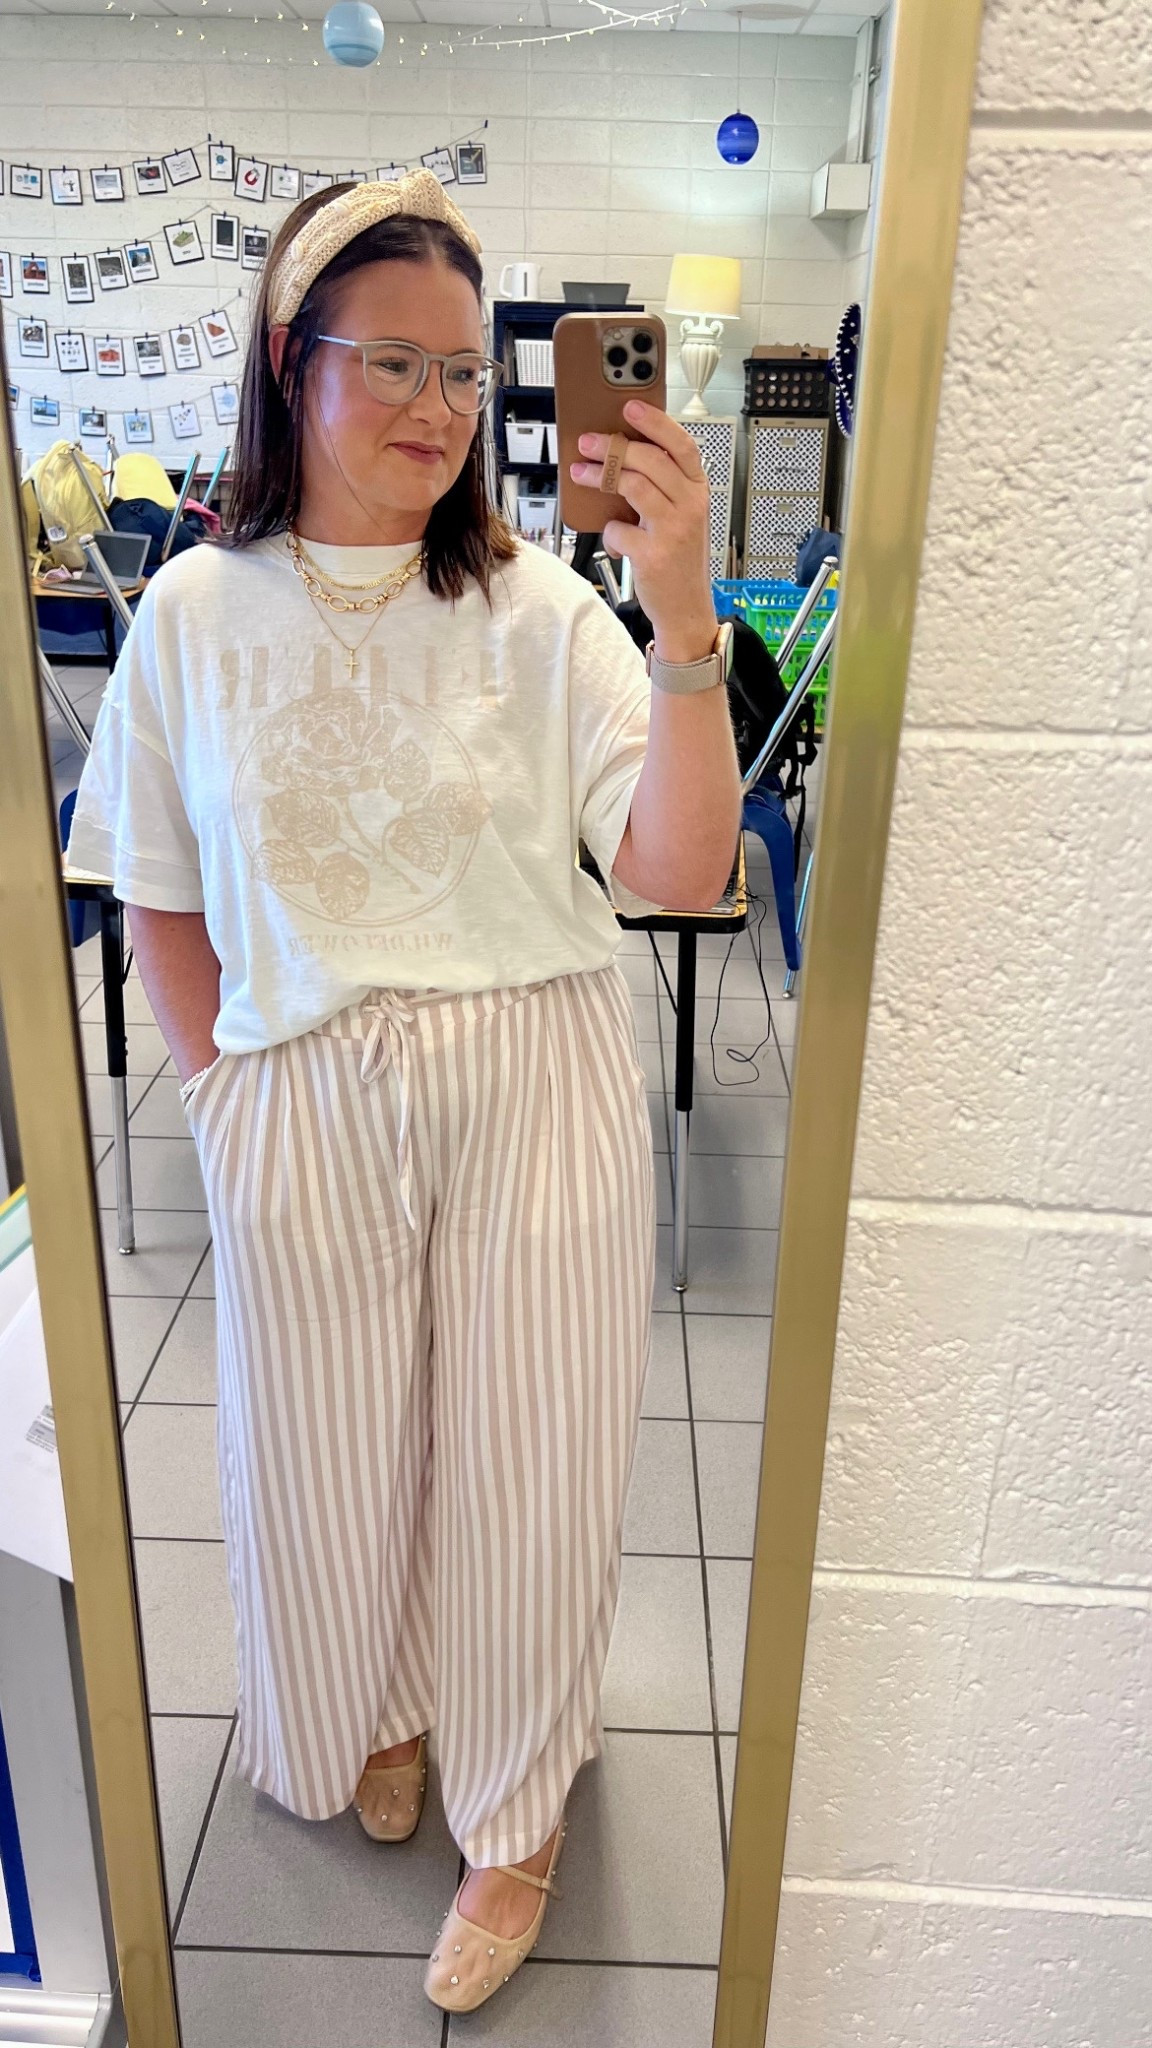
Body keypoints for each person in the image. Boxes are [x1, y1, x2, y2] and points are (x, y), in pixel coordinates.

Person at [67, 170, 742, 2014]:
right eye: (399, 365)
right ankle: (376, 1706)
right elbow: (156, 883)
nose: (446, 409)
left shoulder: (544, 617)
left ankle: (513, 1810)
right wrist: (215, 1092)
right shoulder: (198, 612)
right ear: (294, 366)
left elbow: (679, 875)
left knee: (527, 1459)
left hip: (532, 1066)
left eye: (470, 370)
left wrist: (681, 620)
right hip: (298, 1086)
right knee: (320, 1453)